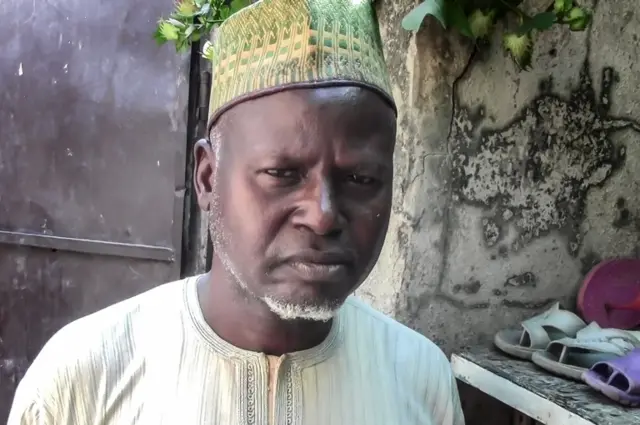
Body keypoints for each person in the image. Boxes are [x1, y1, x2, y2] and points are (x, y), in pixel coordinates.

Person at [8, 0, 465, 424]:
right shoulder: (82, 380)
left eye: (361, 180)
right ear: (208, 178)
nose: (323, 215)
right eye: (282, 173)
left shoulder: (421, 381)